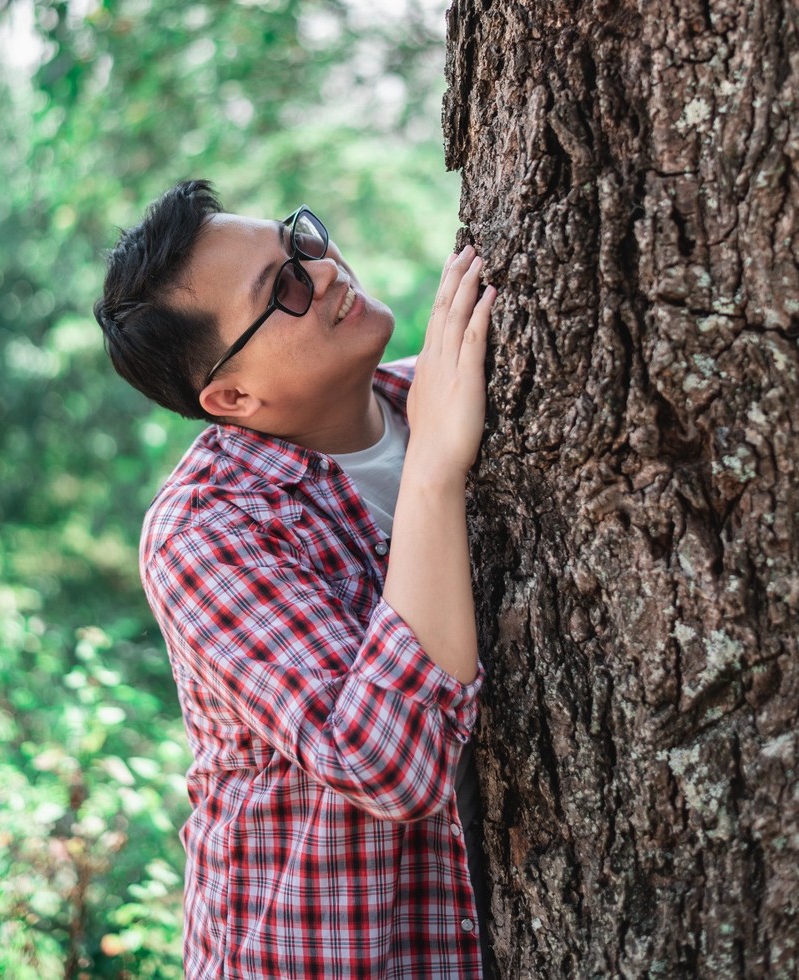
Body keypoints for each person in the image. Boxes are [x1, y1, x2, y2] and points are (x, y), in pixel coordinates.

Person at [94, 180, 497, 978]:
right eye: (281, 288)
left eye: (298, 243)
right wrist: (433, 475)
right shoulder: (207, 531)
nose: (323, 271)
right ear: (232, 396)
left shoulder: (446, 398)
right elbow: (389, 765)